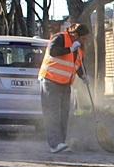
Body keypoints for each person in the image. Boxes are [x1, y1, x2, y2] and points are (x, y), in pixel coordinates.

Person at [38, 23, 90, 153]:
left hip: (65, 83)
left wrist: (84, 76)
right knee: (53, 113)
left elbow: (78, 65)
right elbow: (53, 51)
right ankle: (55, 144)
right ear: (75, 35)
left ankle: (61, 142)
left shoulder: (79, 48)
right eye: (83, 38)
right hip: (50, 80)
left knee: (63, 114)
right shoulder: (60, 38)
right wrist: (70, 49)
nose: (84, 41)